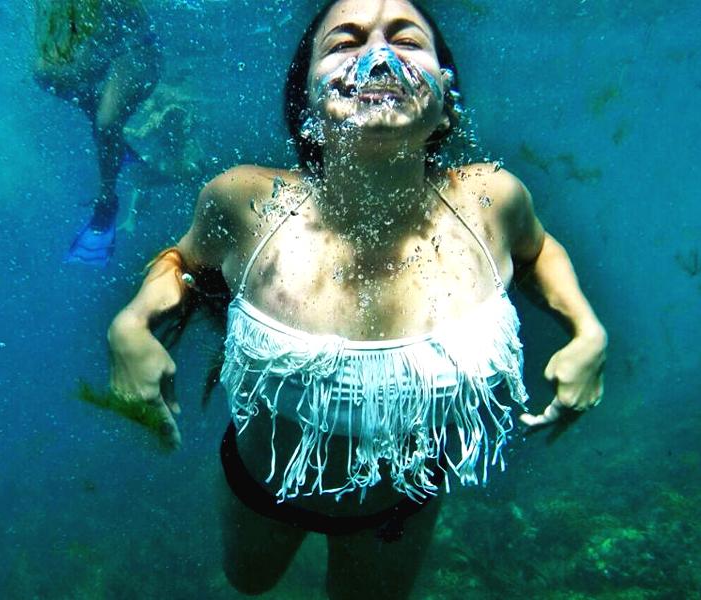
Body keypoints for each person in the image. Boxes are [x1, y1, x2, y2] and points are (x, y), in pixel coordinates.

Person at [107, 0, 607, 597]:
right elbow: (182, 262)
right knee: (248, 583)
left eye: (407, 39)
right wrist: (131, 324)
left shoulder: (491, 200)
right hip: (263, 490)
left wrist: (587, 330)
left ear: (446, 95)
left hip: (400, 508)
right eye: (345, 42)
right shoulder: (245, 202)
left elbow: (538, 249)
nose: (379, 56)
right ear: (306, 100)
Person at [33, 0, 160, 266]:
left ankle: (107, 199)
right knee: (42, 71)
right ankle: (106, 129)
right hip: (101, 50)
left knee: (106, 123)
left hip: (137, 48)